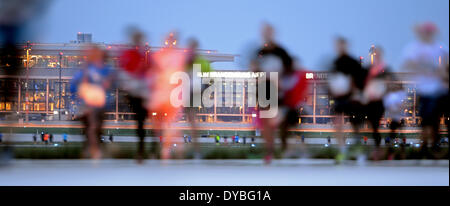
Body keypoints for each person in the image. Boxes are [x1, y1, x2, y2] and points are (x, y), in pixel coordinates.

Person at [400, 22, 449, 157]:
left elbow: (444, 68)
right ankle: (426, 146)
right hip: (421, 90)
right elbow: (407, 64)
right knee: (425, 119)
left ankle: (432, 145)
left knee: (433, 119)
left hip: (437, 90)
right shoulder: (413, 48)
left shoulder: (440, 48)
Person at [70, 45, 115, 159]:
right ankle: (93, 149)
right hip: (89, 101)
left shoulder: (105, 69)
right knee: (92, 126)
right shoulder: (86, 69)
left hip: (99, 101)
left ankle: (94, 148)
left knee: (95, 127)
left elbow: (110, 84)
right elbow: (75, 86)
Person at [328, 37, 367, 163]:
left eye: (342, 45)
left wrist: (356, 90)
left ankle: (359, 151)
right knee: (337, 123)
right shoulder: (334, 62)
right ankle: (342, 150)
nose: (339, 47)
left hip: (352, 98)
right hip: (339, 98)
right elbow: (331, 81)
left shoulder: (353, 62)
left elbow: (361, 78)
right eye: (337, 45)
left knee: (356, 126)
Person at [119, 27, 151, 163]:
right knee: (140, 120)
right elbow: (125, 71)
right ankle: (141, 150)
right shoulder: (130, 54)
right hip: (134, 90)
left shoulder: (144, 55)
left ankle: (142, 150)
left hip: (142, 91)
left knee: (141, 121)